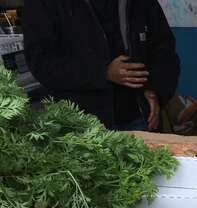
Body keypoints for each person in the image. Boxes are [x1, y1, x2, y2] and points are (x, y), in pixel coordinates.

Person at [23, 0, 180, 131]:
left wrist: (155, 91)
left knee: (149, 166)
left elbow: (163, 49)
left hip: (140, 117)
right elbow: (43, 63)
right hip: (81, 126)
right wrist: (103, 72)